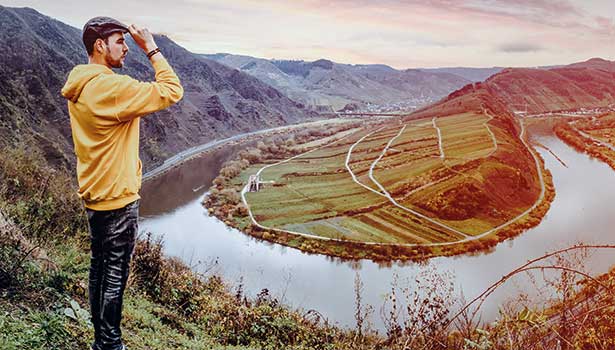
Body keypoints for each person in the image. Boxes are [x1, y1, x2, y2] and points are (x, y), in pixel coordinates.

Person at [61, 16, 183, 350]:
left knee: (100, 269)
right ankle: (110, 344)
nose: (126, 47)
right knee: (115, 274)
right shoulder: (110, 88)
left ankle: (102, 339)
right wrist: (152, 49)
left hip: (95, 193)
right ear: (99, 46)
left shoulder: (82, 83)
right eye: (120, 41)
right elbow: (172, 90)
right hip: (117, 197)